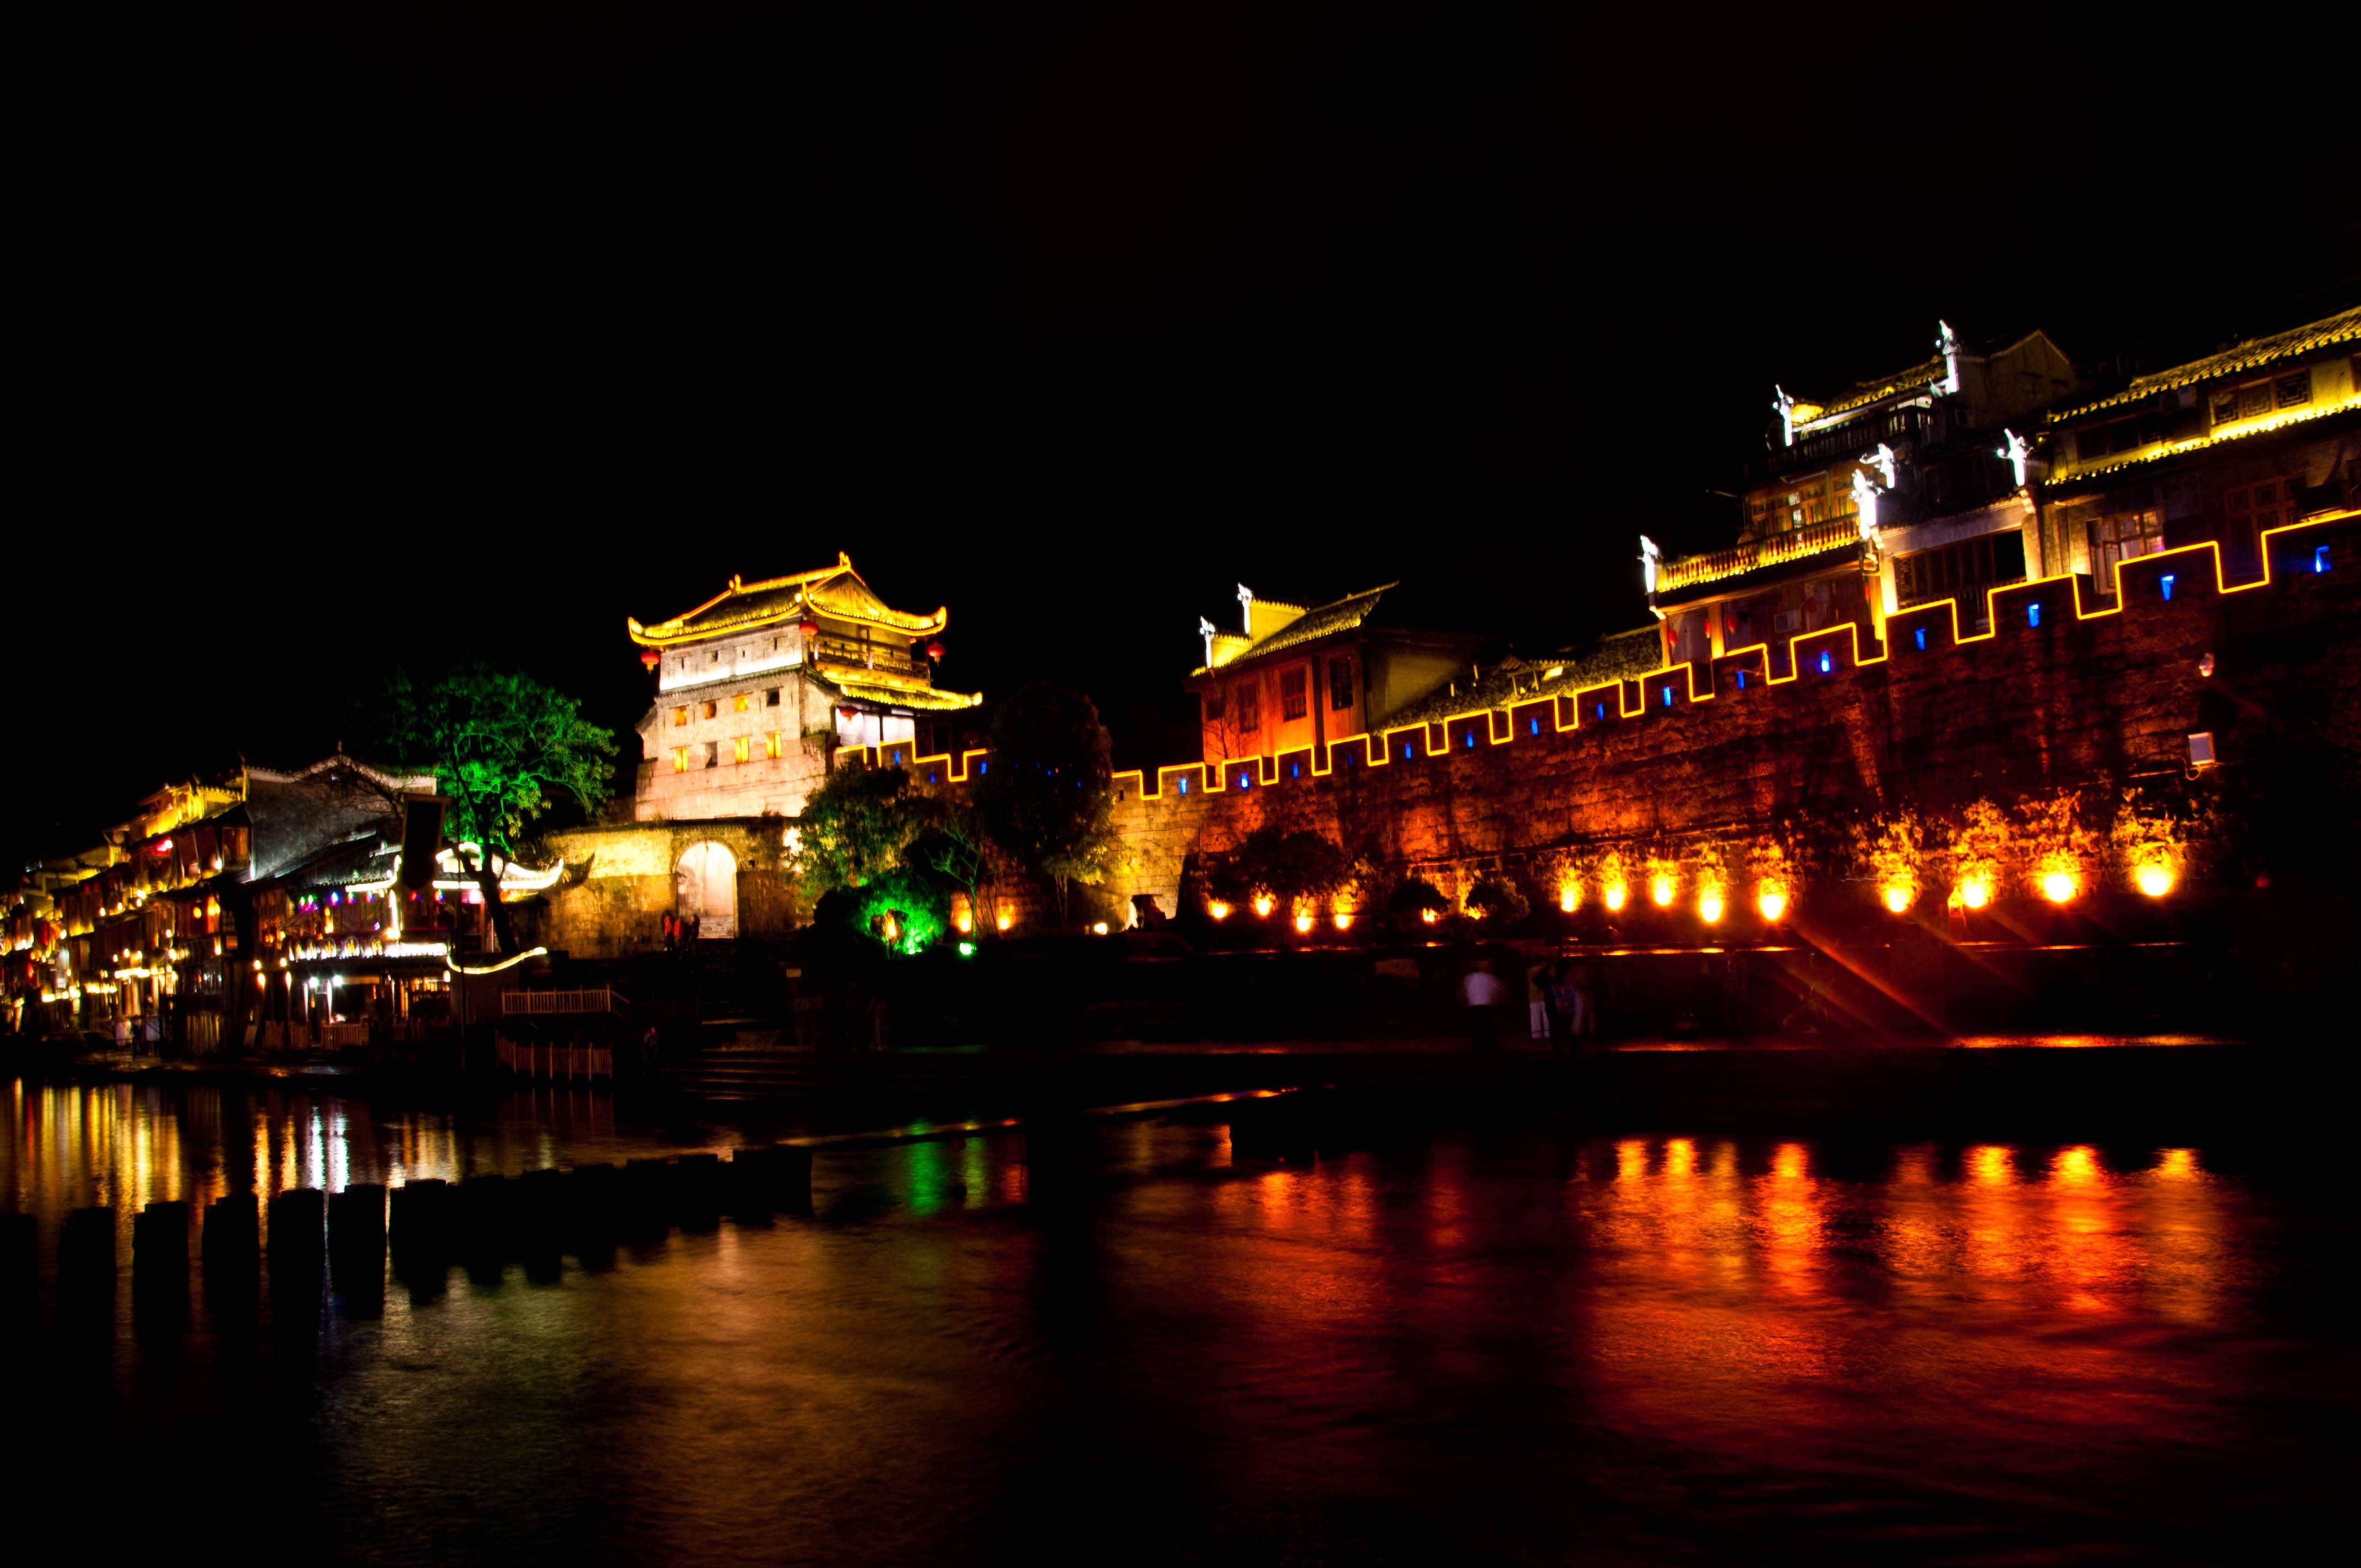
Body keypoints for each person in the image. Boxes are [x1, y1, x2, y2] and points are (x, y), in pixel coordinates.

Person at [1461, 957, 1507, 1052]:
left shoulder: (1470, 978)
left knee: (1476, 1028)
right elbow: (1500, 991)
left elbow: (1464, 992)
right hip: (1487, 1006)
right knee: (1488, 1027)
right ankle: (1488, 1046)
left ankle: (1477, 1046)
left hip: (1474, 1007)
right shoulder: (1491, 978)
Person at [1525, 959, 1554, 1041]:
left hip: (1533, 995)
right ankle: (1548, 1033)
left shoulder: (1529, 971)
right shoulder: (1546, 970)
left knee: (1535, 1015)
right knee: (1546, 1014)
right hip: (1544, 994)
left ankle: (1536, 1035)